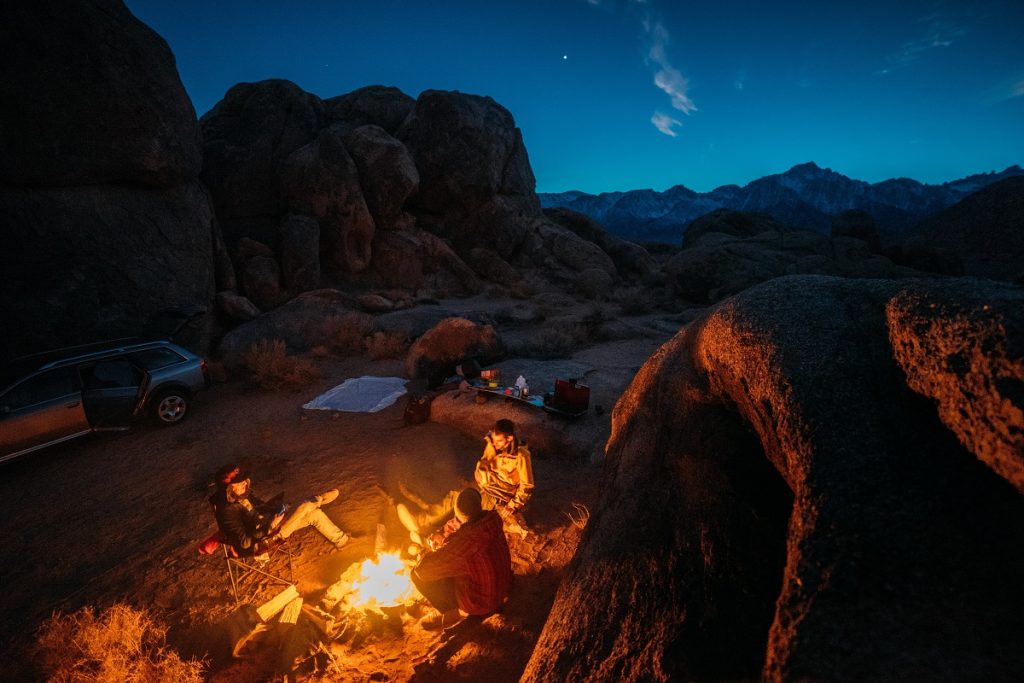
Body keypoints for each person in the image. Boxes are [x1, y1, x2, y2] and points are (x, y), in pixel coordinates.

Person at [396, 418, 534, 542]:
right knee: (456, 496)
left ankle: (440, 539)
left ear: (509, 439)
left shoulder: (521, 456)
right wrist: (482, 469)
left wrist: (512, 506)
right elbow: (485, 460)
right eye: (494, 439)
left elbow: (527, 487)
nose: (495, 444)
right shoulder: (493, 443)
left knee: (467, 514)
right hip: (485, 484)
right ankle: (422, 520)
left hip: (500, 495)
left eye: (499, 441)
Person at [411, 488, 512, 631]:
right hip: (503, 585)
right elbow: (461, 526)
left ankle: (454, 611)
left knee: (415, 575)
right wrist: (443, 536)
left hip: (481, 603)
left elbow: (422, 571)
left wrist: (435, 550)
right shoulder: (492, 520)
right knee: (465, 565)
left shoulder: (466, 542)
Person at [209, 464, 350, 556]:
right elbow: (245, 542)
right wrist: (271, 525)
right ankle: (319, 499)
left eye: (244, 482)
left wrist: (275, 509)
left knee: (315, 514)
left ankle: (342, 541)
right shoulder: (226, 511)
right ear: (227, 489)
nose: (243, 486)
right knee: (305, 506)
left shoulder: (243, 495)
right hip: (261, 542)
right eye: (238, 484)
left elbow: (260, 507)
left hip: (268, 525)